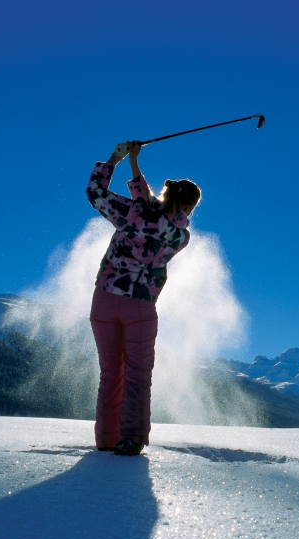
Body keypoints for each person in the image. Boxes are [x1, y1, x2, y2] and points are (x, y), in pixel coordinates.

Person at [86, 141, 200, 456]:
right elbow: (151, 209)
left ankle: (107, 438)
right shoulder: (181, 237)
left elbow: (95, 193)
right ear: (190, 208)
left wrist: (120, 159)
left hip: (105, 299)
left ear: (165, 194)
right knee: (137, 374)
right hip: (141, 305)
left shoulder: (134, 212)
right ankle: (131, 438)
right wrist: (136, 169)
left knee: (111, 371)